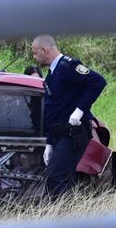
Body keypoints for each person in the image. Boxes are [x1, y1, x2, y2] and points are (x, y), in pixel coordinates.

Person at [31, 34, 106, 198]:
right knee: (64, 177)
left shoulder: (69, 66)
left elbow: (98, 81)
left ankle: (60, 217)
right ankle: (69, 213)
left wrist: (80, 110)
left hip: (74, 133)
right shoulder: (52, 74)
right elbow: (53, 111)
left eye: (35, 53)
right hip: (58, 134)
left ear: (44, 49)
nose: (34, 57)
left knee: (55, 177)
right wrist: (49, 143)